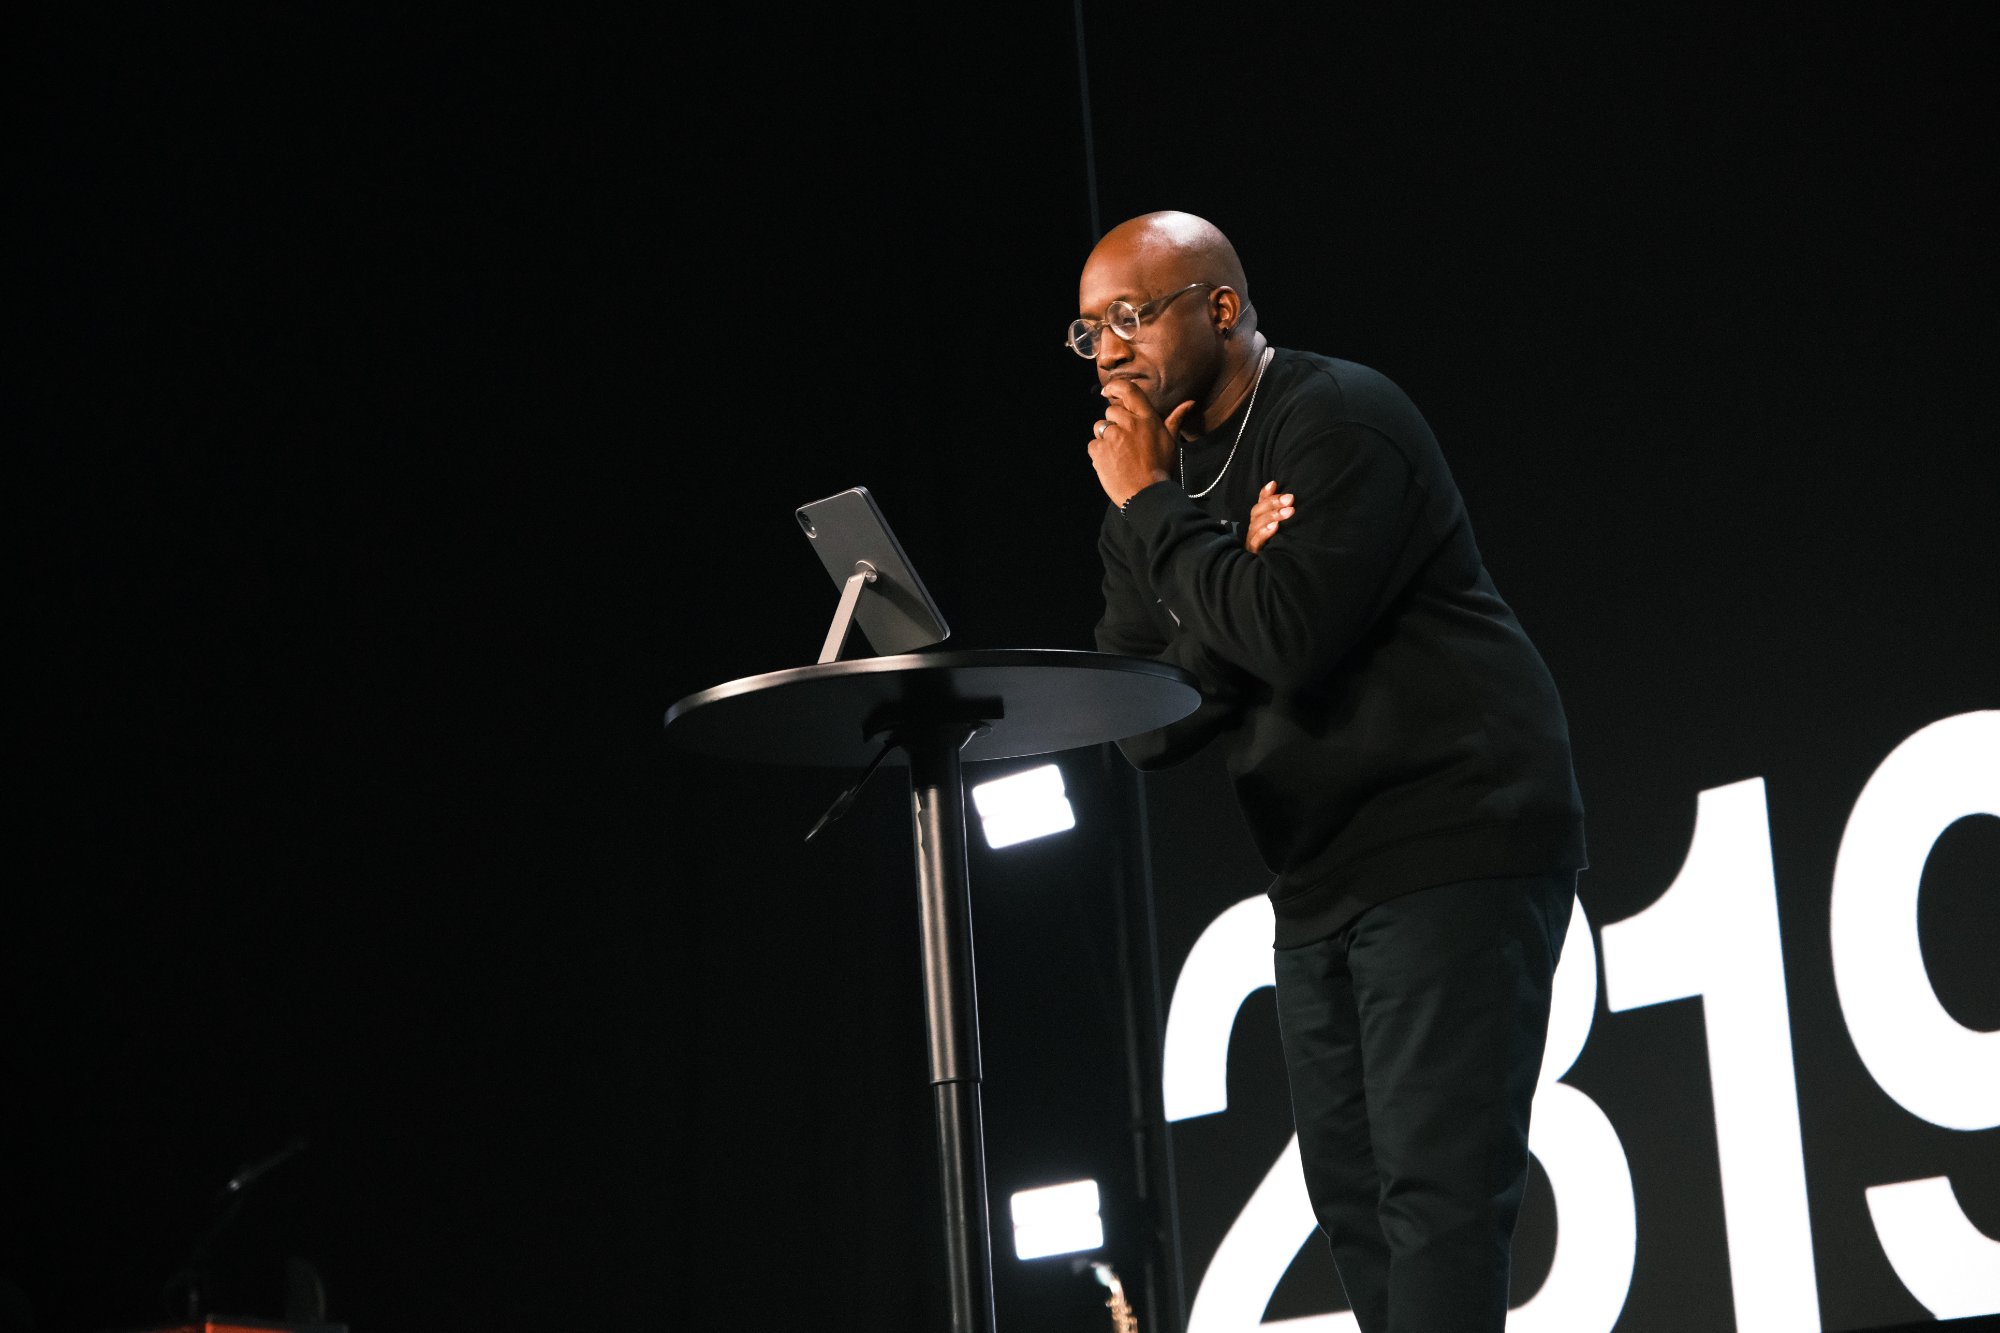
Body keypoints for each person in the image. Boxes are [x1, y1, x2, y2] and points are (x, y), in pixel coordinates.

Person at [1075, 210, 1586, 1333]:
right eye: (1085, 331)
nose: (1106, 351)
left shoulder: (1335, 418)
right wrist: (1224, 568)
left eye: (1127, 316)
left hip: (1452, 831)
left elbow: (1292, 636)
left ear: (1219, 308)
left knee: (1434, 1203)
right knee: (1351, 1206)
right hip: (1316, 881)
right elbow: (1143, 721)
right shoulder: (1144, 493)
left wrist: (1171, 526)